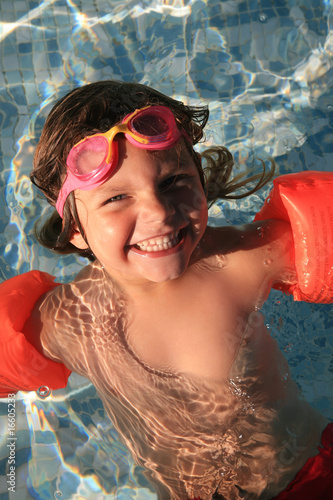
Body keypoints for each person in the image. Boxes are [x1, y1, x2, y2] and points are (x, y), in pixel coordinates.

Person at [1, 80, 332, 499]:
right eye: (117, 197)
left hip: (307, 477)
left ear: (200, 178)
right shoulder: (68, 322)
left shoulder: (239, 262)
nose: (158, 211)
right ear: (75, 228)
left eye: (173, 180)